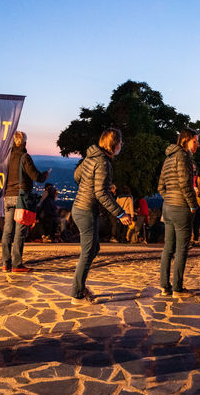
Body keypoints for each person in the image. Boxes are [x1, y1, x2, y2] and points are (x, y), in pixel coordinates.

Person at [70, 128, 131, 304]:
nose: (121, 145)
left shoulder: (90, 157)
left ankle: (79, 287)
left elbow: (76, 176)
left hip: (79, 208)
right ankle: (77, 293)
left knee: (93, 249)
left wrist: (93, 183)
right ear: (114, 144)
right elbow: (101, 194)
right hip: (86, 210)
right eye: (120, 142)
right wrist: (120, 213)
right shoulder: (103, 163)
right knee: (88, 251)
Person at [157, 128, 200, 298]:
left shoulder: (168, 159)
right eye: (195, 141)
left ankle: (164, 286)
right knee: (182, 249)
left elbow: (160, 186)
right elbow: (185, 185)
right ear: (185, 141)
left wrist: (169, 198)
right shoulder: (184, 157)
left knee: (168, 248)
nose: (197, 145)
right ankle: (177, 289)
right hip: (182, 208)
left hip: (167, 207)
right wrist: (193, 205)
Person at [1, 131, 50, 273]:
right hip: (21, 198)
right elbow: (36, 176)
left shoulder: (7, 157)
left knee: (7, 230)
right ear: (24, 143)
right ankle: (17, 264)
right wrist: (44, 175)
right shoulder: (24, 157)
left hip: (8, 196)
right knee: (20, 231)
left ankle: (5, 263)